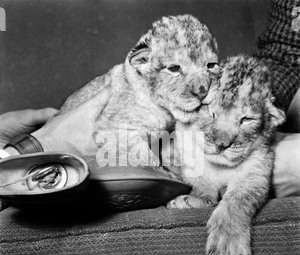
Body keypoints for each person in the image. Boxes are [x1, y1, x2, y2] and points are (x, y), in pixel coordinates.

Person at [0, 0, 299, 210]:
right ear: (140, 63)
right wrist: (33, 146)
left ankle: (12, 156)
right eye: (174, 69)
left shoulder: (199, 96)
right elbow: (286, 55)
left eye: (210, 65)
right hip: (76, 154)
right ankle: (15, 160)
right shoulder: (131, 92)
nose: (201, 87)